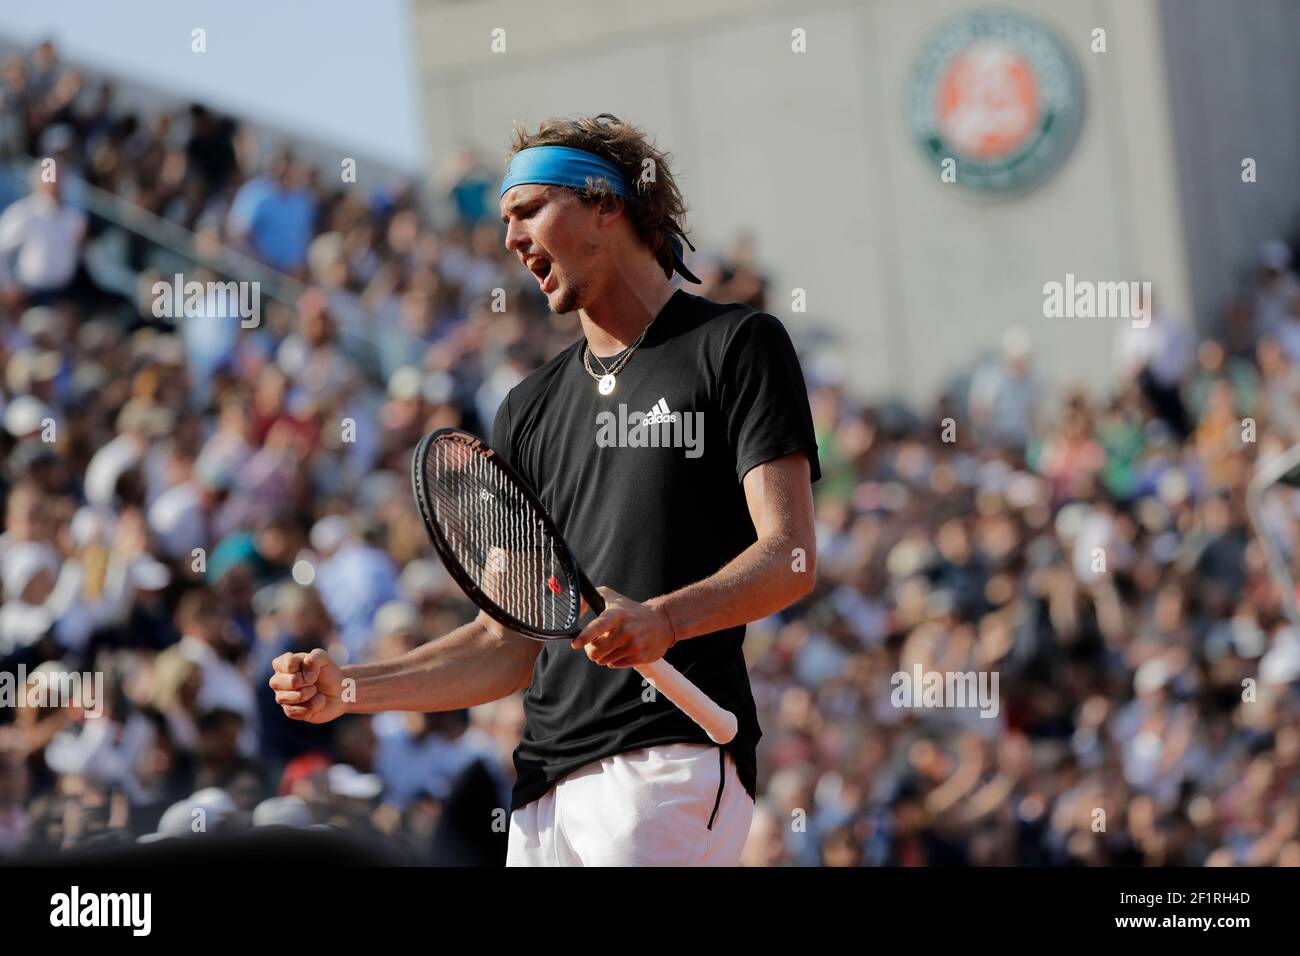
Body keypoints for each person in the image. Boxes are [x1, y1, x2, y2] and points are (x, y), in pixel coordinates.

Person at [272, 114, 820, 866]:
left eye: (528, 210)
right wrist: (352, 688)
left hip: (667, 759)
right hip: (538, 790)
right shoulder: (525, 409)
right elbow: (508, 641)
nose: (509, 239)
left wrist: (662, 620)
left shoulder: (737, 345)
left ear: (606, 205)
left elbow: (790, 555)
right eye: (504, 220)